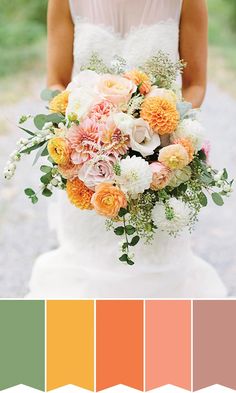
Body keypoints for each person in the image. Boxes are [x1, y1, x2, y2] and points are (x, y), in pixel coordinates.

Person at [26, 0, 227, 298]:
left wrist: (159, 127)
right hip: (89, 164)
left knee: (158, 279)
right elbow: (57, 80)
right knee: (87, 275)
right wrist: (85, 119)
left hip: (158, 164)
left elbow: (195, 84)